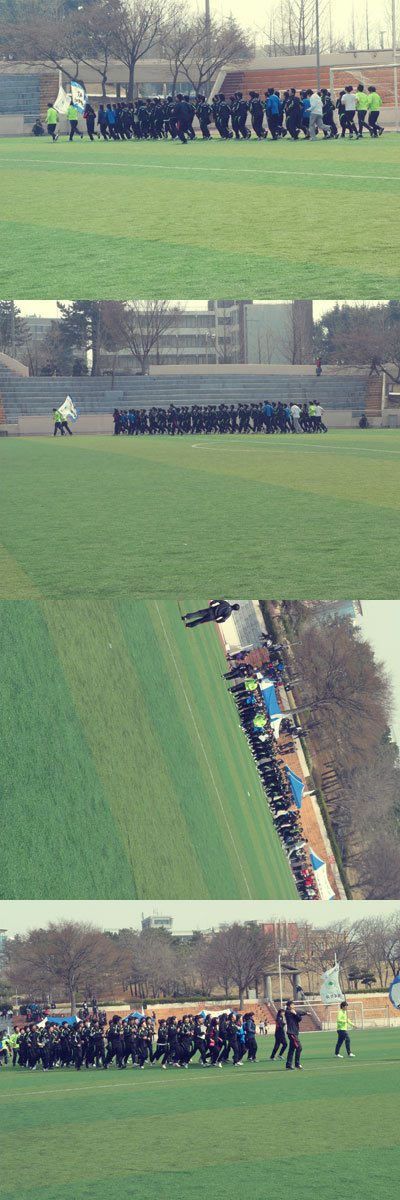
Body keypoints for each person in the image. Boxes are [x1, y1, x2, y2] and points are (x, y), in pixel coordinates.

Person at [285, 1001, 304, 1069]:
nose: (293, 1006)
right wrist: (296, 1013)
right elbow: (298, 1014)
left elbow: (299, 1019)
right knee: (299, 1047)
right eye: (292, 1005)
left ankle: (288, 1065)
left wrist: (305, 1013)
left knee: (291, 1049)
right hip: (292, 1033)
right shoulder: (287, 1012)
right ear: (288, 1006)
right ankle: (297, 1064)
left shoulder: (293, 1012)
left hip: (295, 1032)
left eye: (293, 1005)